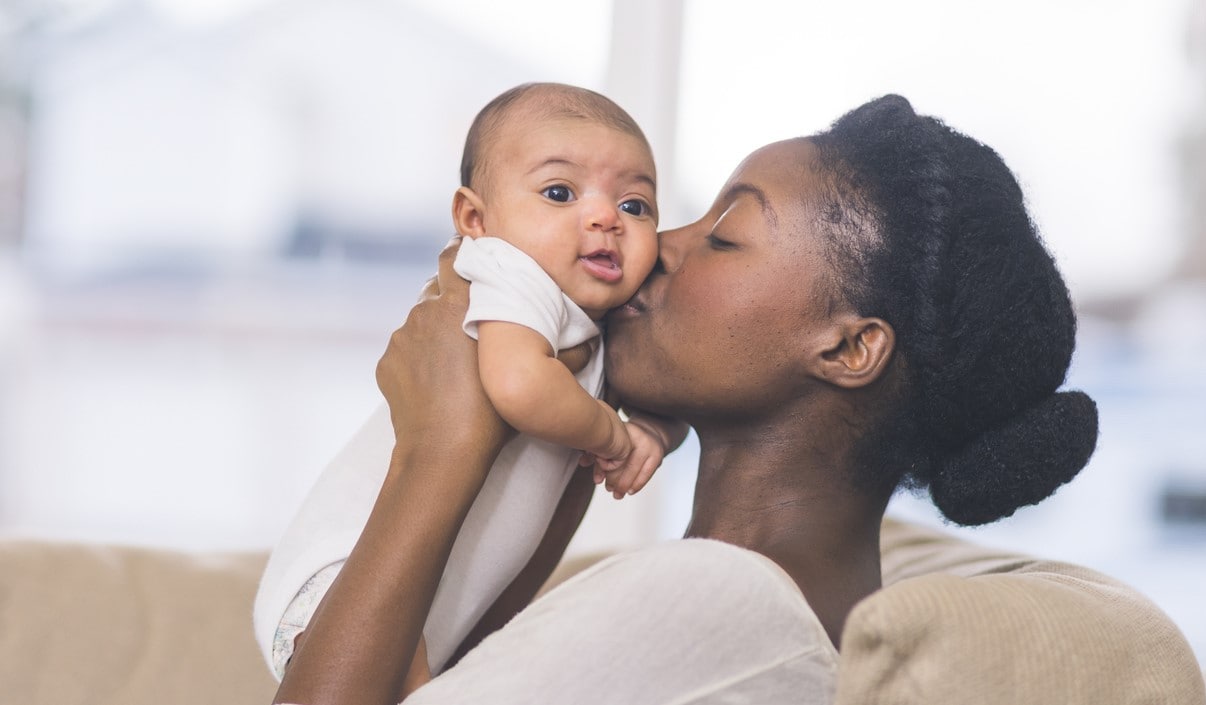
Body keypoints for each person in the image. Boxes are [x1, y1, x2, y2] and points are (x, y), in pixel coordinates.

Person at [271, 94, 1100, 705]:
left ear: (849, 348)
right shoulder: (748, 607)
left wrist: (438, 448)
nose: (654, 247)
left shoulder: (722, 605)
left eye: (725, 235)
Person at [254, 83, 688, 684]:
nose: (605, 217)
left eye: (636, 206)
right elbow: (519, 384)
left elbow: (677, 391)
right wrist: (617, 440)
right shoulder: (509, 271)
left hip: (438, 602)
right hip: (340, 576)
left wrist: (658, 432)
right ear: (475, 219)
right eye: (559, 192)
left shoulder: (601, 317)